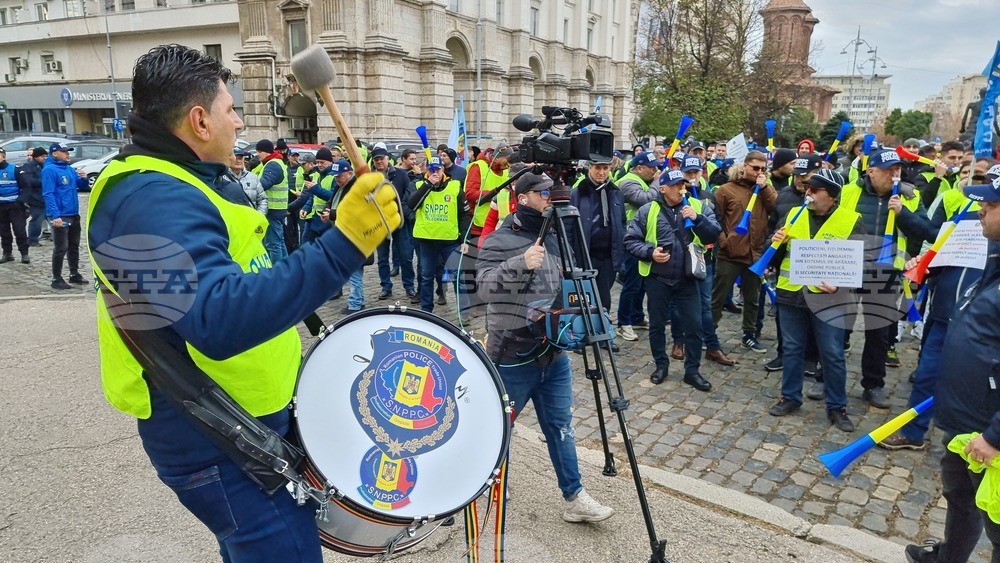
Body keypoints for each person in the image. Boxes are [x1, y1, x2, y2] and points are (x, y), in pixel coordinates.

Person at [86, 44, 398, 562]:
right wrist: (343, 244)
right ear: (199, 120)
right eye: (232, 109)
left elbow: (248, 275)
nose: (239, 121)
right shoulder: (149, 200)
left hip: (243, 420)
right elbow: (219, 317)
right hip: (213, 435)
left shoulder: (192, 179)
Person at [476, 171, 615, 524]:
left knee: (560, 425)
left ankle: (575, 496)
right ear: (523, 198)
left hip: (553, 353)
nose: (551, 197)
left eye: (553, 191)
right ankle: (489, 481)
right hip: (512, 353)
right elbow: (484, 289)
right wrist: (519, 263)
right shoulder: (499, 240)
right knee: (497, 427)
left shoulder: (557, 234)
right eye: (543, 193)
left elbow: (567, 284)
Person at [903, 175, 1000, 563]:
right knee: (960, 494)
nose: (981, 209)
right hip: (967, 417)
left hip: (988, 429)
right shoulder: (993, 255)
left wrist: (995, 436)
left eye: (991, 205)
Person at [880, 164, 996, 451]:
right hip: (944, 316)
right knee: (926, 376)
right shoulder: (965, 221)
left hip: (978, 330)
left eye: (991, 202)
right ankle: (913, 432)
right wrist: (925, 267)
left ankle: (971, 444)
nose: (982, 207)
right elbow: (939, 257)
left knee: (975, 389)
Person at [766, 169, 862, 432]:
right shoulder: (793, 215)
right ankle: (790, 397)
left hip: (830, 300)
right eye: (807, 188)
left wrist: (841, 285)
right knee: (792, 349)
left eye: (814, 190)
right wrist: (773, 244)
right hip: (791, 296)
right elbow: (773, 259)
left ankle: (837, 407)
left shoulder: (851, 220)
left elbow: (863, 264)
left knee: (832, 354)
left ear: (831, 196)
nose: (807, 193)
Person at [839, 148, 934, 408]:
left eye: (898, 169)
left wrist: (903, 213)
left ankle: (873, 384)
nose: (895, 174)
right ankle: (827, 378)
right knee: (839, 327)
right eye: (889, 170)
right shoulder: (849, 192)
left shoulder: (911, 197)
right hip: (848, 267)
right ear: (871, 171)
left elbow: (928, 232)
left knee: (878, 333)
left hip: (886, 272)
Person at [624, 168, 720, 390]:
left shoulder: (697, 206)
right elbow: (630, 240)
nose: (681, 188)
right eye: (676, 185)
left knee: (694, 326)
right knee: (657, 325)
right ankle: (661, 365)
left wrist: (698, 220)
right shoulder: (649, 210)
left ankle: (692, 371)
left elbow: (715, 233)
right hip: (658, 278)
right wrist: (650, 253)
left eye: (683, 184)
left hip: (688, 279)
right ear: (663, 188)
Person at [711, 150, 778, 353]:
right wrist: (724, 241)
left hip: (755, 254)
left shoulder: (766, 188)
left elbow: (776, 207)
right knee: (718, 297)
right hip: (729, 254)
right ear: (745, 166)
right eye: (755, 168)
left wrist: (764, 187)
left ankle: (749, 333)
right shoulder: (725, 190)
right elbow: (714, 218)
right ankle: (709, 332)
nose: (759, 171)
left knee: (753, 298)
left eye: (763, 168)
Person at [569, 155, 625, 349]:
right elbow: (569, 226)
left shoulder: (615, 192)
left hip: (608, 255)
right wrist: (571, 255)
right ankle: (581, 336)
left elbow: (621, 222)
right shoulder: (578, 192)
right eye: (598, 168)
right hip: (585, 254)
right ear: (590, 168)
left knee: (604, 298)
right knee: (583, 298)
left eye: (605, 169)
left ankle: (603, 334)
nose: (601, 172)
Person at [409, 156, 471, 313]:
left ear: (443, 169)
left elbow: (464, 216)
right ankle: (426, 309)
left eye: (437, 169)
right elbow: (412, 204)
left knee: (458, 278)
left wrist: (465, 240)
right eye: (431, 170)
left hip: (450, 241)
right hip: (427, 240)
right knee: (426, 277)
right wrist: (429, 184)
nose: (434, 172)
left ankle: (464, 312)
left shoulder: (455, 186)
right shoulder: (418, 185)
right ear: (426, 170)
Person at [617, 151, 660, 342]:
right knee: (632, 284)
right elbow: (645, 199)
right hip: (631, 239)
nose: (655, 171)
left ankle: (636, 316)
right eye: (652, 168)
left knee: (641, 281)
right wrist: (658, 182)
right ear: (639, 168)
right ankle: (623, 322)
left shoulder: (642, 180)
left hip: (642, 238)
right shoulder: (628, 181)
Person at [372, 145, 417, 302]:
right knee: (383, 258)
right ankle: (386, 286)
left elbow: (408, 194)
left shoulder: (400, 175)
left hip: (399, 221)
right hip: (380, 223)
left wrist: (402, 212)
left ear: (387, 159)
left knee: (405, 256)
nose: (379, 162)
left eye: (381, 159)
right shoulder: (369, 177)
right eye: (376, 160)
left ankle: (409, 285)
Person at [42, 141, 89, 289]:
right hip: (61, 215)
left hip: (73, 213)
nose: (68, 154)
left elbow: (80, 187)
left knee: (74, 246)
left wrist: (83, 178)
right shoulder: (49, 170)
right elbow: (48, 194)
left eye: (68, 152)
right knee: (61, 247)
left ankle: (74, 274)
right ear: (54, 153)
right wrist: (55, 216)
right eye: (64, 152)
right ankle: (56, 278)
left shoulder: (69, 169)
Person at [252, 139, 288, 263]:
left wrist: (250, 187)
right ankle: (285, 270)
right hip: (277, 209)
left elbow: (264, 184)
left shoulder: (273, 164)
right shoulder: (275, 162)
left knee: (273, 245)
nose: (257, 154)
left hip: (272, 209)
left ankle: (278, 274)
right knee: (279, 242)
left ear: (267, 152)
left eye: (259, 151)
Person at [0, 147, 29, 264]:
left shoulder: (15, 169)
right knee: (4, 232)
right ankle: (7, 253)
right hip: (1, 207)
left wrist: (20, 201)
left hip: (15, 206)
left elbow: (26, 187)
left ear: (4, 156)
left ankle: (24, 253)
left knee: (19, 231)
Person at [18, 147, 49, 247]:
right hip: (35, 198)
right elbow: (29, 181)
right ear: (36, 156)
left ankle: (56, 236)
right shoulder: (29, 166)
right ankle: (32, 239)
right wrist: (45, 182)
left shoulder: (44, 165)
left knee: (52, 218)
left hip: (45, 197)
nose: (44, 158)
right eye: (42, 156)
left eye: (45, 156)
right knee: (37, 219)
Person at [230, 148, 267, 215]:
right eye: (235, 158)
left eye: (240, 158)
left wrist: (258, 216)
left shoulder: (253, 177)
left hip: (251, 221)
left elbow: (262, 200)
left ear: (244, 160)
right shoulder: (221, 178)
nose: (238, 161)